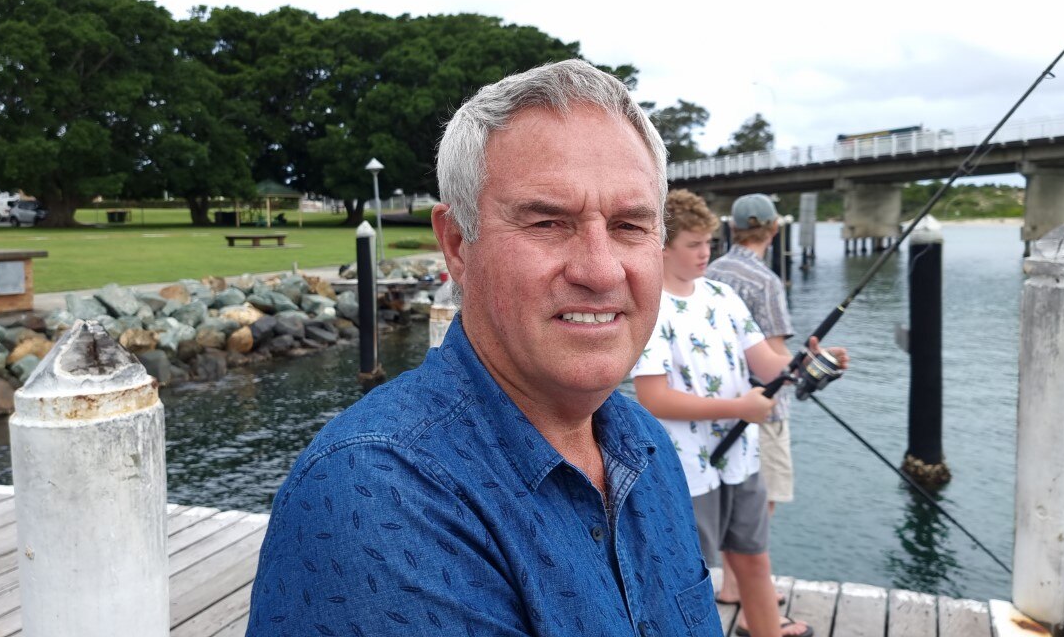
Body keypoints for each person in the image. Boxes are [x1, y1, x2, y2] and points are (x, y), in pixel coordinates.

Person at [247, 61, 724, 636]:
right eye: (548, 222)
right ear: (456, 245)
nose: (600, 270)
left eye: (629, 226)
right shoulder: (376, 496)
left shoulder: (646, 448)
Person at [631, 190, 846, 637]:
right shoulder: (649, 307)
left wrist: (812, 363)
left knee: (753, 557)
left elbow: (768, 366)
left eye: (710, 241)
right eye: (693, 244)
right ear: (662, 246)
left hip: (740, 460)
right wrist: (740, 407)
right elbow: (653, 398)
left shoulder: (724, 295)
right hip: (687, 468)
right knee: (680, 578)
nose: (706, 252)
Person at [705, 194, 838, 635]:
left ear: (732, 228)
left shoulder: (709, 272)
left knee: (732, 496)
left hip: (721, 407)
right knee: (760, 506)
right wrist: (818, 365)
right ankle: (750, 603)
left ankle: (731, 588)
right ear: (775, 229)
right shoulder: (765, 281)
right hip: (764, 409)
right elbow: (778, 356)